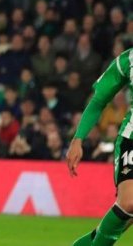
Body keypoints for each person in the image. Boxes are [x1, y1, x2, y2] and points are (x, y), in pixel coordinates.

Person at [67, 49, 133, 246]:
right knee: (129, 202)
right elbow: (98, 100)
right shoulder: (127, 60)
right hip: (132, 138)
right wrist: (78, 138)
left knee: (125, 219)